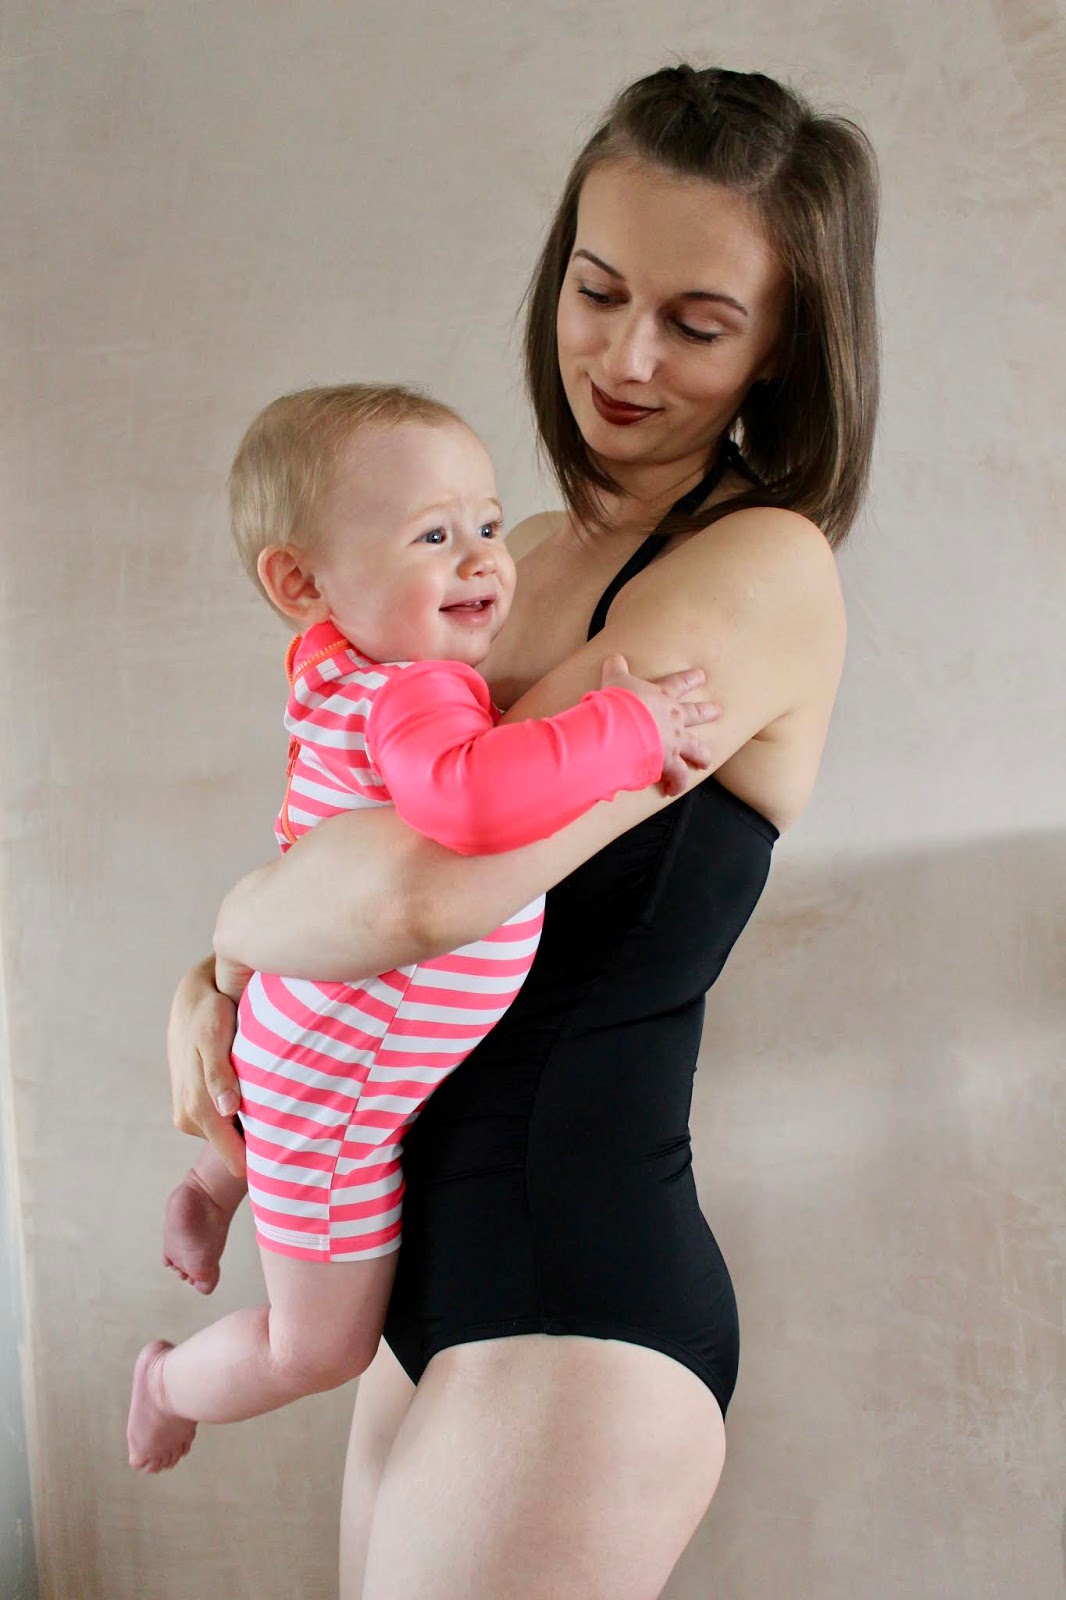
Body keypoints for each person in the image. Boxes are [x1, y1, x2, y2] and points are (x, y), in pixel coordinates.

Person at [167, 63, 878, 1600]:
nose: (625, 357)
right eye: (597, 290)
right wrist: (217, 976)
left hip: (576, 1296)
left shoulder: (759, 566)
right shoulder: (513, 555)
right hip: (410, 1283)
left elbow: (414, 889)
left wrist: (225, 941)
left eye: (697, 322)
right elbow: (341, 854)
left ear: (780, 346)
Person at [128, 382, 716, 1473]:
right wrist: (629, 728)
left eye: (487, 524)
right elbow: (473, 803)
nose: (485, 558)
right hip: (336, 1082)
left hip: (312, 1032)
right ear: (302, 582)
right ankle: (168, 1381)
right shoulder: (414, 693)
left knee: (290, 1133)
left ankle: (213, 1188)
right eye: (435, 537)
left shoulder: (337, 669)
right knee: (316, 1348)